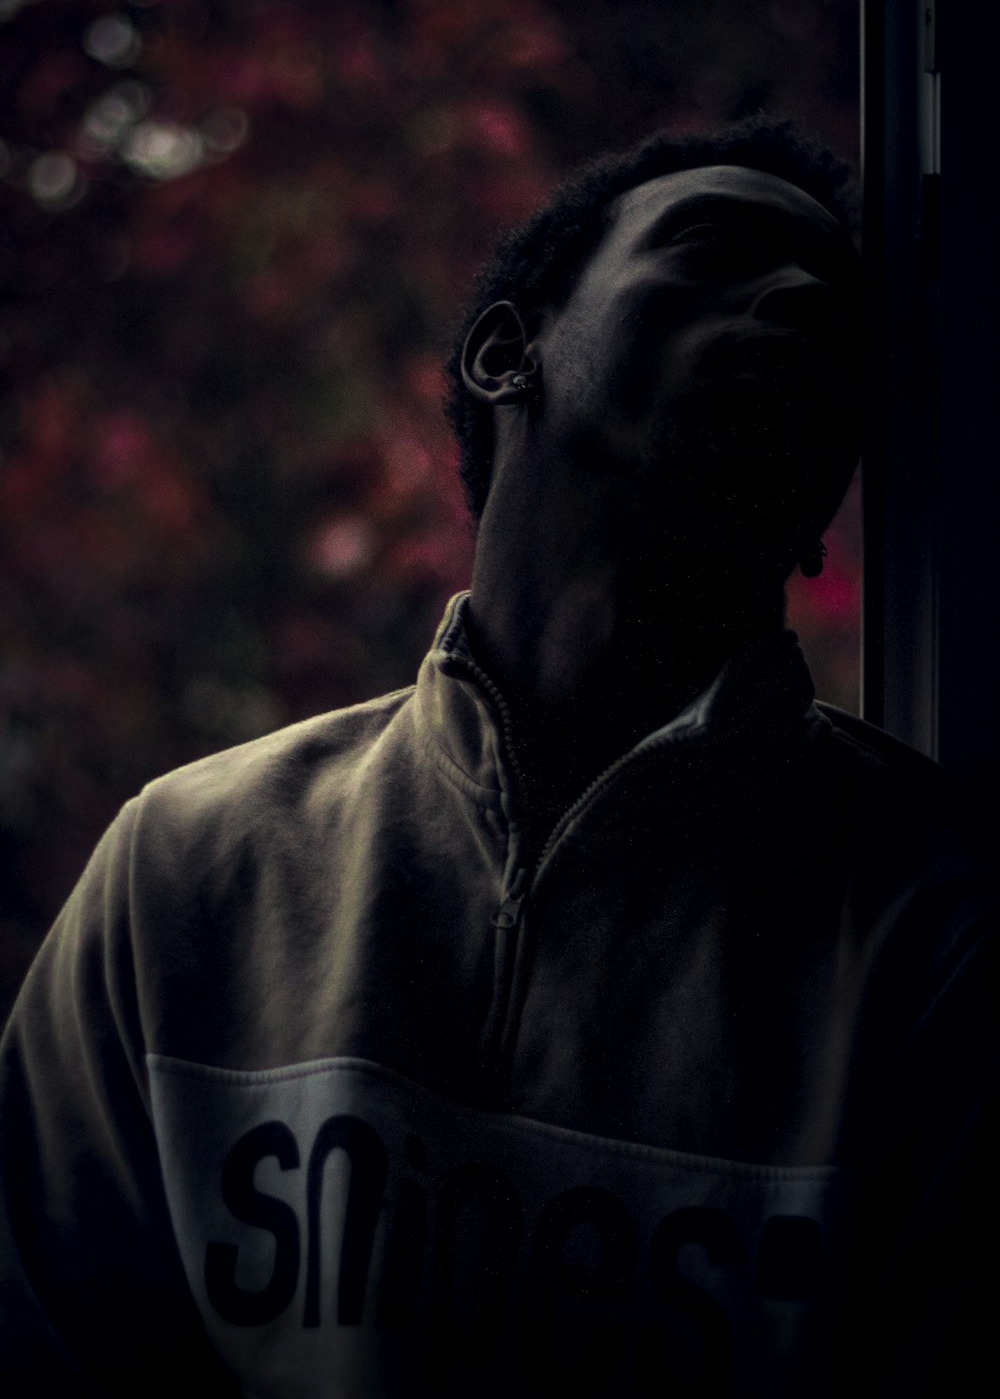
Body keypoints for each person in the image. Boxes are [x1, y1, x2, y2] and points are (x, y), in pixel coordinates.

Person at [0, 118, 995, 1398]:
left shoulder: (941, 927)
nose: (801, 298)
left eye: (837, 315)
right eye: (715, 249)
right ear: (503, 352)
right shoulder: (188, 867)